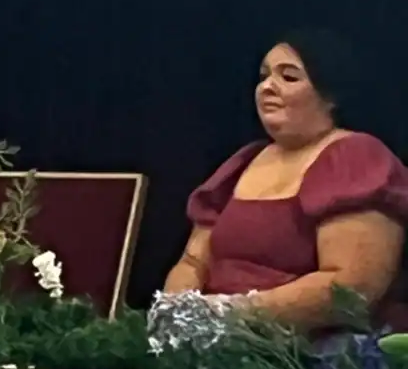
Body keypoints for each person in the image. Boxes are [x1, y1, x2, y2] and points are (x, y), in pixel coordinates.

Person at [163, 32, 408, 330]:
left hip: (308, 346)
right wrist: (176, 315)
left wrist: (233, 315)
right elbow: (193, 262)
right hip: (215, 338)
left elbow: (352, 287)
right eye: (263, 76)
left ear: (330, 96)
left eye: (289, 77)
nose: (267, 86)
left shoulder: (356, 157)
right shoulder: (243, 162)